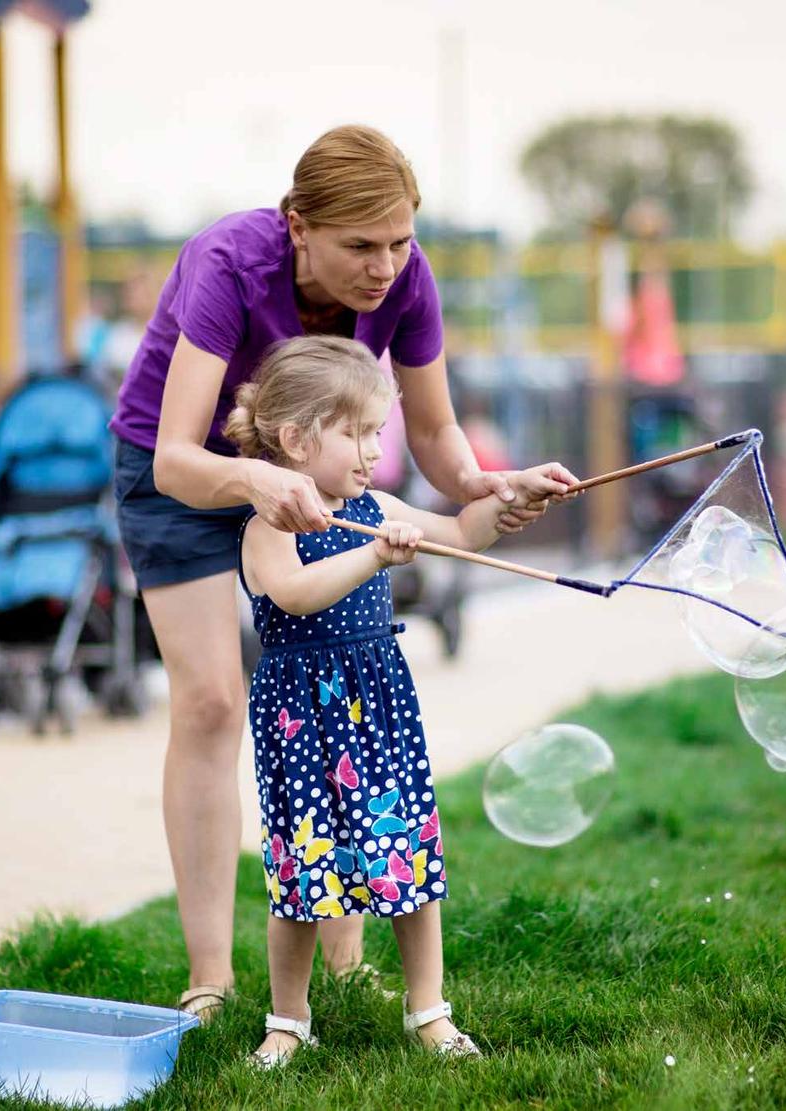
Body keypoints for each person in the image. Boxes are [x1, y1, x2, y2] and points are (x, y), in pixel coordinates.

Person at [108, 124, 576, 1021]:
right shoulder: (227, 263)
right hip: (184, 474)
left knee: (342, 694)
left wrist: (489, 485)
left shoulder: (409, 279)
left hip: (317, 477)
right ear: (297, 227)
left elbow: (436, 440)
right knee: (211, 699)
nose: (385, 266)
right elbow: (175, 456)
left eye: (399, 242)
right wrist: (255, 479)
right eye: (361, 246)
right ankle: (212, 976)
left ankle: (343, 965)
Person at [226, 334, 564, 1063]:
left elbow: (460, 529)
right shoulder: (267, 525)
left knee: (403, 855)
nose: (373, 448)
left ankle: (429, 1011)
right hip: (303, 718)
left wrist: (510, 495)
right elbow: (291, 592)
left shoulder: (372, 502)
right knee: (302, 872)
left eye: (378, 431)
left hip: (376, 709)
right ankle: (288, 1020)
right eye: (356, 432)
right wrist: (375, 554)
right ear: (295, 437)